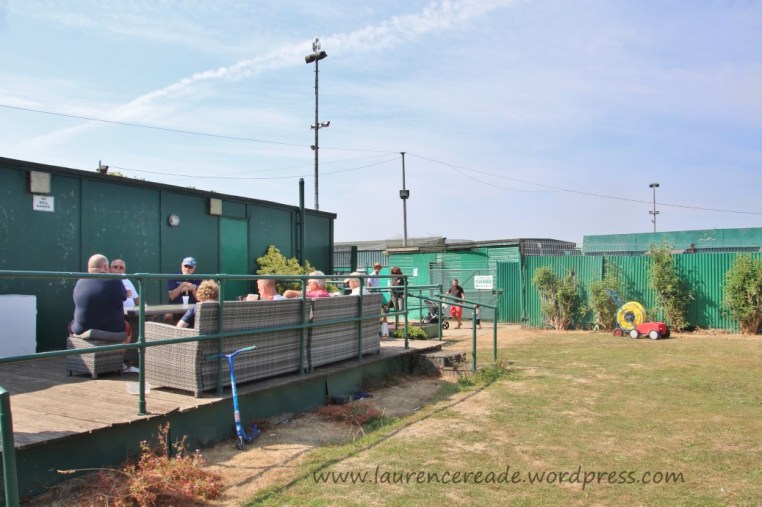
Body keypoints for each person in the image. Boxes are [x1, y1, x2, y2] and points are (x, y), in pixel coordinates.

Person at [70, 254, 137, 372]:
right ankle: (118, 361)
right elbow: (123, 296)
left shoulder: (80, 282)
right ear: (106, 266)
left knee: (70, 325)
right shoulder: (116, 281)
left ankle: (80, 358)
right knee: (128, 327)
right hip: (111, 329)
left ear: (89, 268)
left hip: (82, 329)